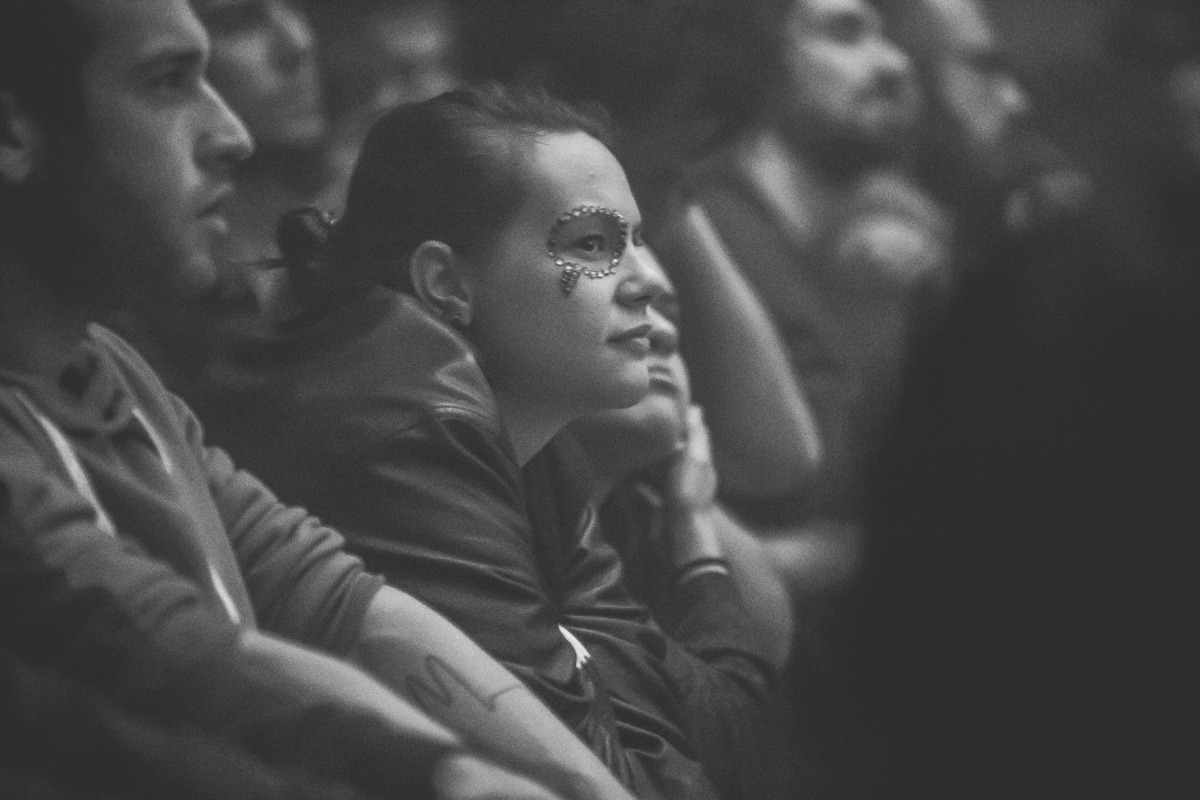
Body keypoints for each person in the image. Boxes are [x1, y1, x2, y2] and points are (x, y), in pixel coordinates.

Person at [0, 2, 650, 798]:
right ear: (12, 131)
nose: (230, 133)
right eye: (166, 82)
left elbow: (345, 606)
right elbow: (166, 651)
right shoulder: (414, 415)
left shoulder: (115, 373)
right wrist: (450, 775)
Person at [197, 84, 778, 800]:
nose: (646, 284)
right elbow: (615, 776)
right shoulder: (412, 424)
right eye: (592, 244)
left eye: (638, 239)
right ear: (447, 282)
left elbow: (728, 738)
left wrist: (692, 529)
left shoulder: (535, 443)